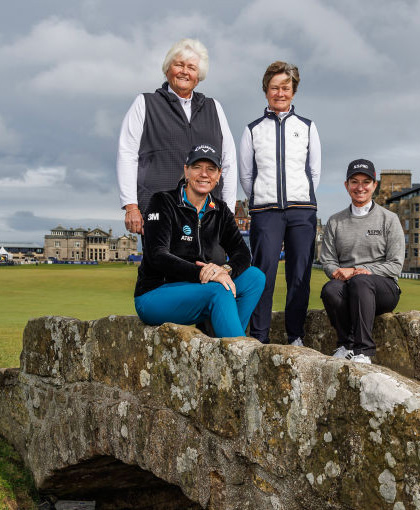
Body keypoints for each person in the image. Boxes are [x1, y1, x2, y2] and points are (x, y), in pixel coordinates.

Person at [133, 144, 264, 337]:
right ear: (186, 170)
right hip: (156, 293)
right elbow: (157, 256)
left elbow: (242, 252)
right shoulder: (163, 201)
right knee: (219, 290)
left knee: (255, 278)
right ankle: (236, 355)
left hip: (198, 289)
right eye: (197, 167)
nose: (204, 174)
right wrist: (204, 273)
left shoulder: (220, 209)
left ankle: (221, 338)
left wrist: (225, 270)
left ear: (218, 175)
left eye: (211, 169)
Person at [117, 38, 237, 235]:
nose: (184, 71)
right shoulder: (145, 103)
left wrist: (229, 211)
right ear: (167, 69)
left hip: (207, 213)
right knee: (161, 265)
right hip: (159, 209)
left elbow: (229, 161)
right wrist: (131, 206)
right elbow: (127, 154)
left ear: (198, 77)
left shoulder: (214, 107)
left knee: (208, 266)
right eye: (178, 64)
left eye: (191, 67)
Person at [239, 61, 321, 345]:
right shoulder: (252, 130)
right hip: (266, 211)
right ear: (266, 91)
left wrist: (300, 198)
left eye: (285, 87)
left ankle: (295, 335)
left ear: (293, 91)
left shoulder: (308, 127)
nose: (280, 92)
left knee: (299, 274)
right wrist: (263, 199)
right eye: (274, 88)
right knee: (263, 275)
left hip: (302, 211)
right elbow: (247, 175)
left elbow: (314, 172)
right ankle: (259, 336)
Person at [319, 159, 405, 364]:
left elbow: (395, 264)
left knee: (360, 281)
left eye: (366, 182)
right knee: (330, 289)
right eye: (354, 182)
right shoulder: (335, 221)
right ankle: (346, 345)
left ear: (375, 185)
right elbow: (328, 261)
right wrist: (338, 273)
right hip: (348, 286)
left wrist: (357, 270)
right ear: (346, 185)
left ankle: (364, 350)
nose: (360, 187)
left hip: (383, 289)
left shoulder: (389, 219)